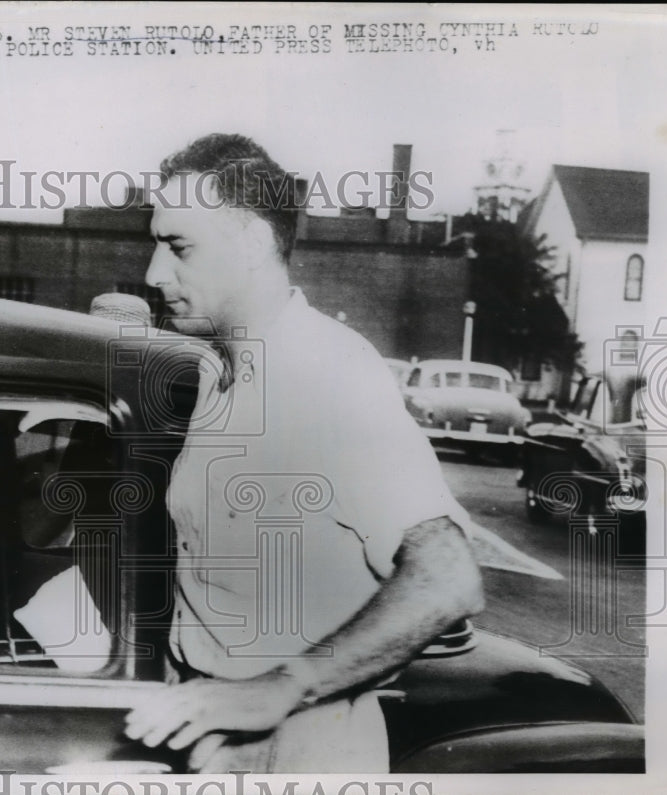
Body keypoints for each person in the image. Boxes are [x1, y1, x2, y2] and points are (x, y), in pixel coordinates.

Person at [122, 133, 485, 773]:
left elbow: (448, 578)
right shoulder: (216, 370)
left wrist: (282, 687)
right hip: (209, 724)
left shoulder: (330, 371)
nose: (155, 274)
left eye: (179, 246)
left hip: (302, 743)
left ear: (253, 243)